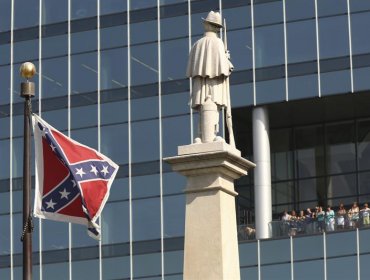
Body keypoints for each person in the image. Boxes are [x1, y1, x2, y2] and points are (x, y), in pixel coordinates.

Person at [186, 11, 235, 146]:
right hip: (214, 84)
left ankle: (200, 136)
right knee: (213, 107)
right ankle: (210, 135)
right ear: (216, 27)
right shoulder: (217, 43)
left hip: (201, 84)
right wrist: (227, 59)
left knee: (203, 107)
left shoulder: (197, 44)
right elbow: (224, 69)